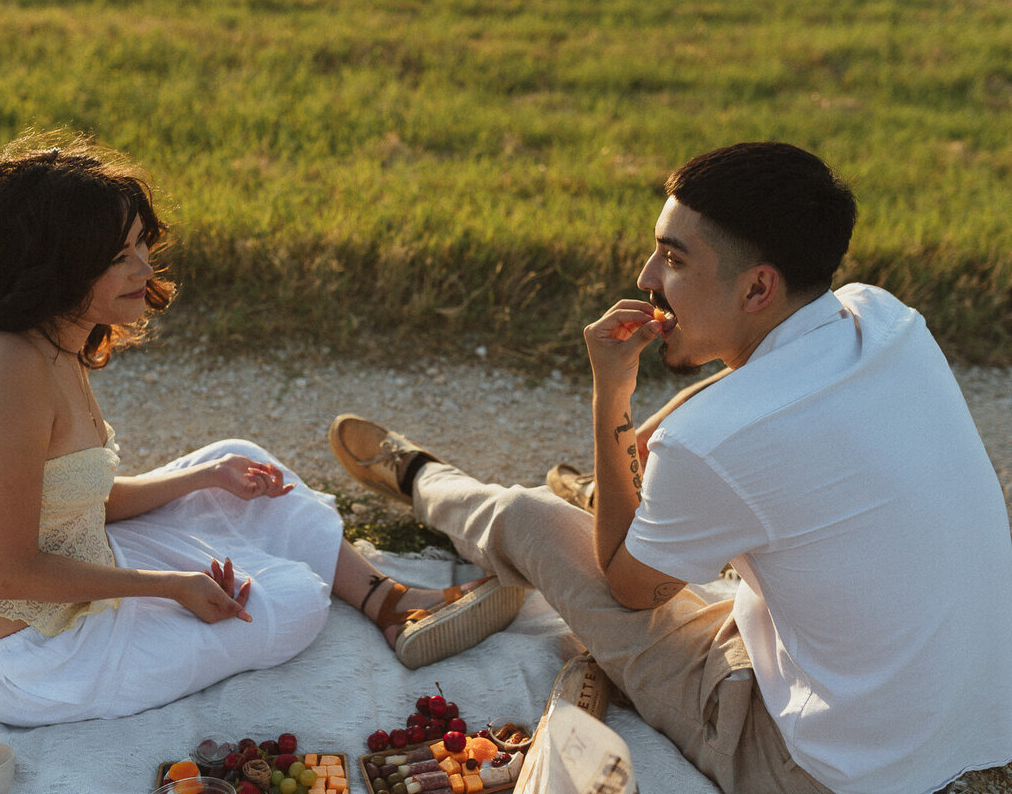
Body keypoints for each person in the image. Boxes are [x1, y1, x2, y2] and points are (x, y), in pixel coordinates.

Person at [328, 142, 1012, 794]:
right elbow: (744, 389)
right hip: (957, 723)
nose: (646, 278)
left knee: (528, 519)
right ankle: (588, 513)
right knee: (707, 537)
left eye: (673, 259)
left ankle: (426, 480)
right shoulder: (883, 317)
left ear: (757, 289)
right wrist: (657, 435)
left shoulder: (712, 445)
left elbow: (627, 588)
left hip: (815, 769)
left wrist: (613, 400)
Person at [0, 131, 522, 727]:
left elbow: (82, 504)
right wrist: (171, 587)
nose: (143, 268)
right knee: (293, 603)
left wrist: (204, 479)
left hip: (73, 576)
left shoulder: (54, 341)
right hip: (26, 657)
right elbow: (8, 572)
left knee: (237, 459)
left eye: (139, 246)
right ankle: (368, 603)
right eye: (117, 257)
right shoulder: (4, 371)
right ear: (54, 267)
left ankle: (386, 602)